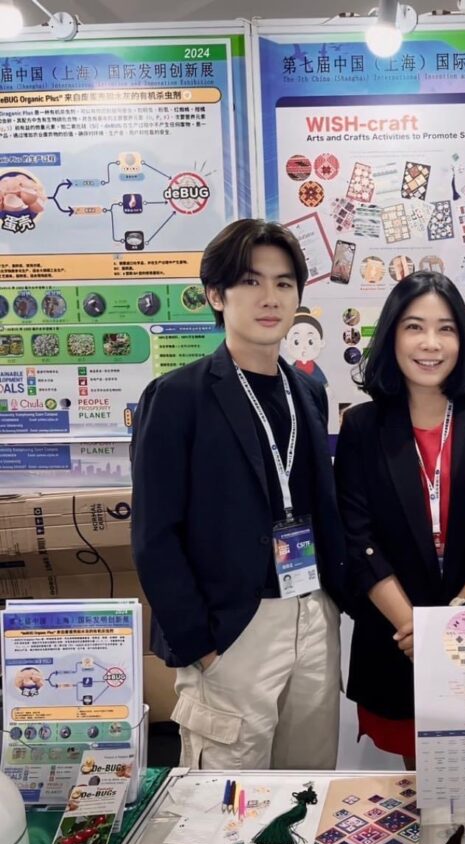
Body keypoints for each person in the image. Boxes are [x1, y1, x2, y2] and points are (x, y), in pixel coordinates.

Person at [131, 219, 346, 771]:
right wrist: (201, 643)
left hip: (311, 614)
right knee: (225, 806)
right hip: (234, 627)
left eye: (283, 283)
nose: (270, 298)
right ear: (216, 294)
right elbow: (155, 536)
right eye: (251, 282)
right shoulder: (177, 397)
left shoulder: (310, 391)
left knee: (307, 788)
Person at [335, 271, 465, 767]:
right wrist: (417, 632)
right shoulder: (361, 426)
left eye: (445, 329)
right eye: (414, 327)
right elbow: (355, 537)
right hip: (397, 640)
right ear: (391, 336)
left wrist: (453, 623)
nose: (431, 344)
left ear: (462, 340)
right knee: (419, 792)